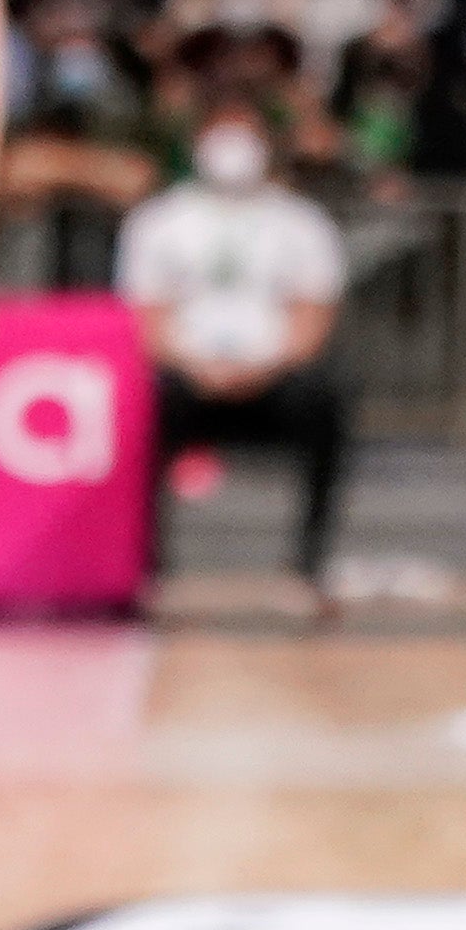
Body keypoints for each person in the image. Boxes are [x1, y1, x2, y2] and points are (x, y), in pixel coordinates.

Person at [117, 99, 352, 608]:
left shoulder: (300, 222)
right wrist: (197, 366)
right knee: (142, 403)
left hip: (273, 375)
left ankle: (308, 566)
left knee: (327, 398)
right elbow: (145, 319)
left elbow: (311, 320)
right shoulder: (160, 221)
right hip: (187, 375)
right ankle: (148, 568)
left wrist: (260, 367)